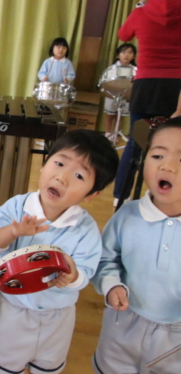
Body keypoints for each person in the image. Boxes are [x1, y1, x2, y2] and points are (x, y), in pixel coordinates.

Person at [0, 130, 119, 374]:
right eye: (59, 163)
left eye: (78, 175)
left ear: (92, 195)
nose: (62, 177)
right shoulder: (16, 206)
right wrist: (12, 231)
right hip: (12, 309)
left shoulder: (86, 229)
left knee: (47, 367)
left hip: (58, 317)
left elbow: (86, 271)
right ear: (44, 164)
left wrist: (74, 276)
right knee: (3, 366)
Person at [91, 117, 181, 374]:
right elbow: (106, 258)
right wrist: (111, 285)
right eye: (157, 156)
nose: (168, 167)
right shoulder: (127, 215)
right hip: (123, 323)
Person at [113, 0, 181, 204]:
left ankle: (119, 197)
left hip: (145, 86)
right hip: (177, 88)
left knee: (136, 142)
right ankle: (167, 197)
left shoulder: (142, 12)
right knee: (175, 147)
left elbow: (123, 35)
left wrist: (141, 4)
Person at [100, 43, 137, 140]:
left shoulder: (135, 70)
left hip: (126, 95)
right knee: (110, 114)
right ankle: (108, 134)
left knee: (121, 116)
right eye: (123, 52)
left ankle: (116, 134)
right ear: (118, 55)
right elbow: (105, 81)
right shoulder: (112, 68)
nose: (126, 55)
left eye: (130, 53)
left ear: (134, 56)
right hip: (112, 94)